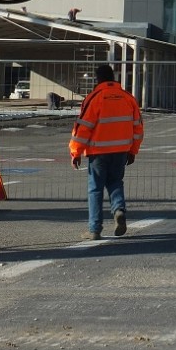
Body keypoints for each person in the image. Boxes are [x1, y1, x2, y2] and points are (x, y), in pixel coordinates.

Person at [69, 64, 144, 240]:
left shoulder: (94, 98)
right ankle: (118, 210)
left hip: (98, 153)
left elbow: (83, 129)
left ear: (98, 79)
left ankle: (94, 229)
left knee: (95, 189)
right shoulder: (128, 98)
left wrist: (75, 152)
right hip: (121, 151)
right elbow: (138, 128)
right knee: (115, 182)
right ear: (113, 78)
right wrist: (133, 150)